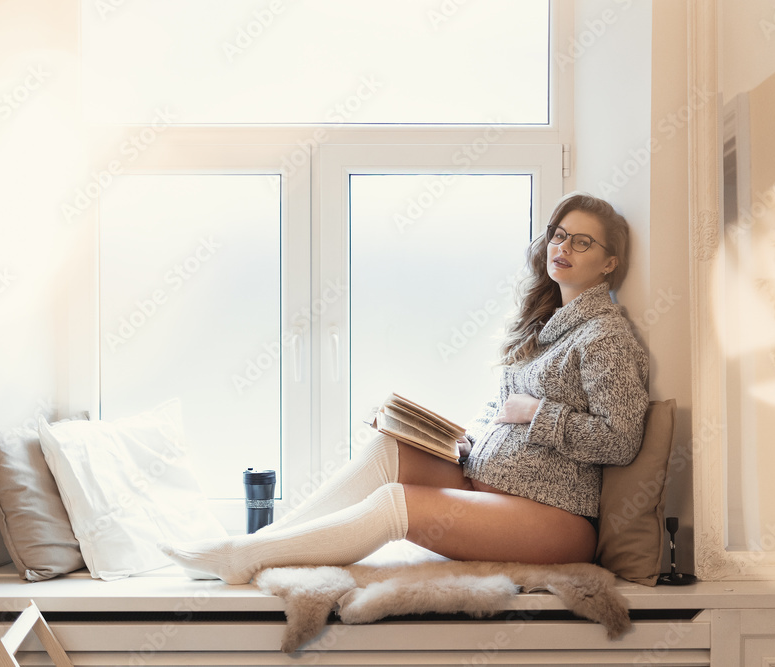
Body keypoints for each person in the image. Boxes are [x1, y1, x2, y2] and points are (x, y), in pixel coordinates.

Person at [160, 193, 650, 584]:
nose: (562, 248)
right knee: (387, 446)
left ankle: (241, 556)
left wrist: (537, 413)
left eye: (582, 242)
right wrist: (467, 440)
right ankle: (264, 543)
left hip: (554, 516)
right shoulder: (547, 325)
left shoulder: (606, 336)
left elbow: (622, 439)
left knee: (396, 503)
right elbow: (501, 407)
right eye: (559, 235)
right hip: (488, 481)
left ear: (609, 264)